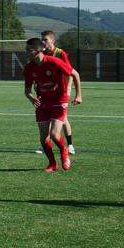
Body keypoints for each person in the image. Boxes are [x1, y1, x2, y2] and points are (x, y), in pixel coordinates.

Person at [24, 37, 75, 173]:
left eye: (29, 50)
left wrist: (74, 93)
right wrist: (32, 98)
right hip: (42, 102)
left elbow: (73, 73)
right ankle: (52, 163)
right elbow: (27, 90)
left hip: (59, 100)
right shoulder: (29, 68)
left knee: (54, 134)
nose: (26, 52)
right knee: (43, 137)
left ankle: (64, 150)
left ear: (38, 50)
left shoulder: (54, 61)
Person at [39, 30, 83, 154]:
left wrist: (70, 90)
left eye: (45, 39)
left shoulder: (60, 53)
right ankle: (46, 145)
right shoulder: (41, 54)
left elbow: (70, 72)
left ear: (52, 41)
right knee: (48, 119)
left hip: (61, 92)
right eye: (41, 39)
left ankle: (69, 145)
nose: (43, 42)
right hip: (48, 93)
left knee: (63, 119)